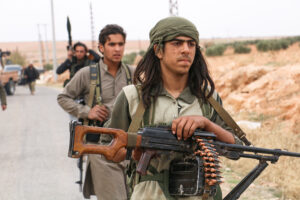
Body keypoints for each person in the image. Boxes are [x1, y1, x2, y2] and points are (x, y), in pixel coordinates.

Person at [106, 16, 242, 200]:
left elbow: (236, 151)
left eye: (191, 44)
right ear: (158, 50)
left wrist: (205, 124)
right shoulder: (132, 97)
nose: (186, 50)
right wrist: (138, 151)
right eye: (177, 43)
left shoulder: (208, 98)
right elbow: (110, 151)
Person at [57, 24, 134, 200]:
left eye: (121, 44)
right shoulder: (87, 74)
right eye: (112, 44)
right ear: (101, 48)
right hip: (100, 149)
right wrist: (87, 111)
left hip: (129, 148)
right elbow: (63, 97)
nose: (117, 49)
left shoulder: (133, 73)